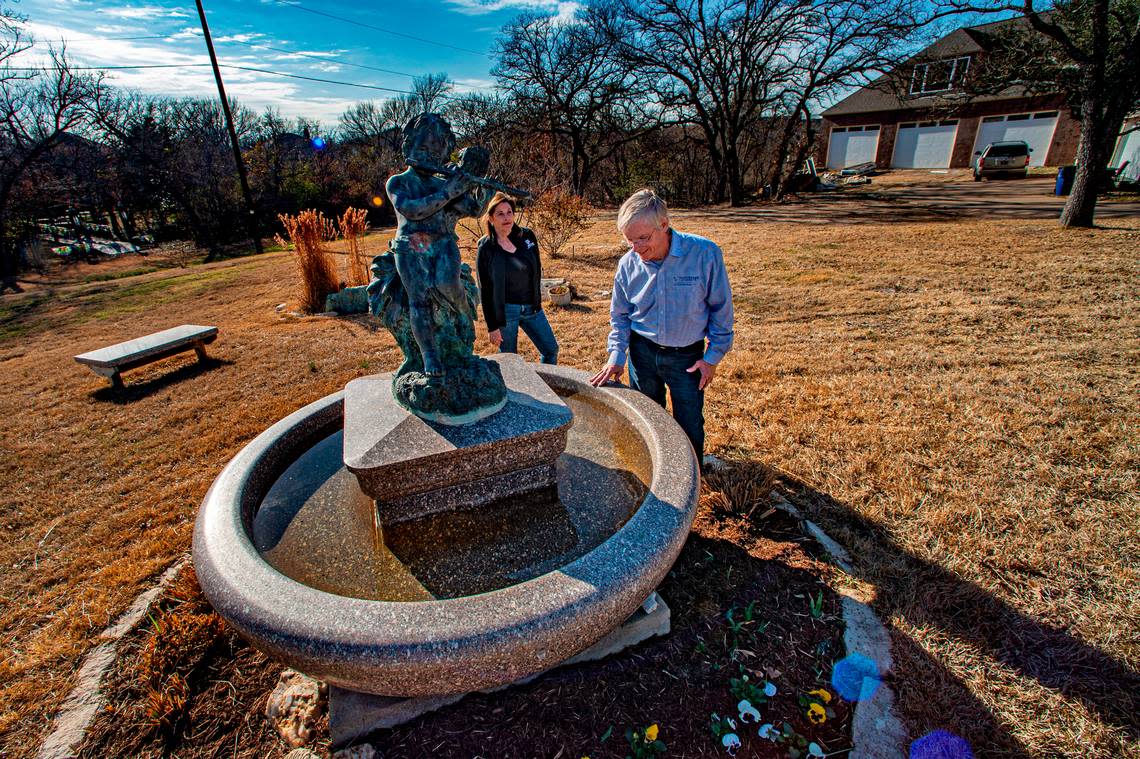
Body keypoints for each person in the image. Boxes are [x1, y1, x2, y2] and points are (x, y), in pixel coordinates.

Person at [589, 188, 734, 467]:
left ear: (664, 225)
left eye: (643, 238)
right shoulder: (627, 264)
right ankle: (653, 473)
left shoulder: (704, 254)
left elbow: (721, 310)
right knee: (646, 418)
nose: (637, 248)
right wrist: (617, 356)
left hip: (687, 358)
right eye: (630, 241)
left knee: (689, 422)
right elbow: (620, 315)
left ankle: (689, 479)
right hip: (642, 353)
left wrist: (712, 358)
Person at [384, 113, 491, 377]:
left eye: (435, 152)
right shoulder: (398, 182)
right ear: (408, 146)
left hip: (443, 245)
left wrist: (477, 186)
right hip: (409, 248)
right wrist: (450, 191)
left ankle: (465, 314)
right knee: (418, 301)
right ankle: (429, 356)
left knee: (448, 284)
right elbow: (413, 210)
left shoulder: (442, 181)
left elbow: (473, 209)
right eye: (423, 150)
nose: (429, 157)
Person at [476, 192, 559, 364]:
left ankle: (546, 389)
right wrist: (492, 327)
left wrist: (537, 300)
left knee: (551, 349)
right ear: (491, 218)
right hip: (506, 312)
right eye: (500, 213)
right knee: (510, 360)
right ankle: (512, 391)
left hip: (532, 308)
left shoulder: (527, 236)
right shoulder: (486, 248)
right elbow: (485, 290)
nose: (506, 217)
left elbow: (536, 268)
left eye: (509, 212)